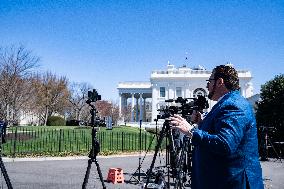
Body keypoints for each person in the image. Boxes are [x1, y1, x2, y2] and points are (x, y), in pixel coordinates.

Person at [170, 65, 264, 189]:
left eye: (209, 82)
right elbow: (220, 131)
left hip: (233, 182)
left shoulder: (233, 104)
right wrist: (202, 123)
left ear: (220, 82)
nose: (207, 86)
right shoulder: (226, 102)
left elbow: (225, 144)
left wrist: (191, 131)